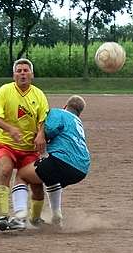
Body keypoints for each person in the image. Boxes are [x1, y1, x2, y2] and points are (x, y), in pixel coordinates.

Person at [0, 58, 49, 231]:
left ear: (32, 74)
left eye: (25, 70)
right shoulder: (5, 91)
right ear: (14, 74)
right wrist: (11, 129)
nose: (22, 73)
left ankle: (35, 219)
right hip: (6, 144)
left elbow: (43, 119)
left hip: (29, 149)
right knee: (5, 170)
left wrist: (40, 134)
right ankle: (2, 216)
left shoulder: (39, 94)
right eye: (19, 71)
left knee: (37, 185)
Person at [17, 95, 91, 228]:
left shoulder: (59, 113)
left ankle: (20, 217)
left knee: (22, 174)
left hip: (62, 161)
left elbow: (50, 129)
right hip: (81, 169)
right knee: (51, 178)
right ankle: (57, 216)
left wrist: (40, 134)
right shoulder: (78, 123)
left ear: (65, 106)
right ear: (79, 113)